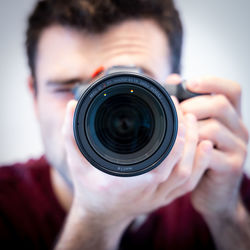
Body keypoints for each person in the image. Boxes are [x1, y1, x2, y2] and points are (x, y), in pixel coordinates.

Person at [0, 0, 249, 249]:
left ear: (174, 91)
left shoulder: (223, 184)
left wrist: (225, 213)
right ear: (34, 97)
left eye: (132, 87)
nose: (93, 109)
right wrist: (94, 219)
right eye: (69, 88)